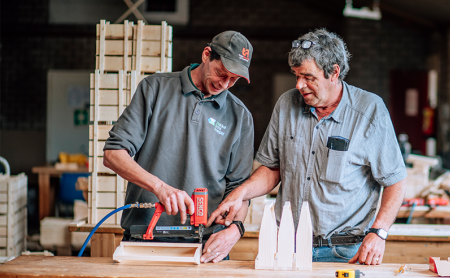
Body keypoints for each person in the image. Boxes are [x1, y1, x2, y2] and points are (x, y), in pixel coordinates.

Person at [208, 29, 407, 265]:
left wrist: (379, 232)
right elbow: (272, 169)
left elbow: (395, 180)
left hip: (344, 251)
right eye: (296, 75)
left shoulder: (369, 111)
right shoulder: (286, 104)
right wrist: (239, 194)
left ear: (334, 72)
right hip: (287, 247)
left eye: (308, 77)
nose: (300, 85)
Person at [103, 31, 254, 263]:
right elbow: (113, 154)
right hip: (145, 238)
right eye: (221, 73)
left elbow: (240, 192)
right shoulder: (154, 89)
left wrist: (234, 232)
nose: (224, 84)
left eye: (233, 80)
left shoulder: (240, 116)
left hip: (206, 247)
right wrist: (160, 187)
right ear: (206, 55)